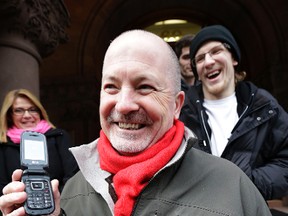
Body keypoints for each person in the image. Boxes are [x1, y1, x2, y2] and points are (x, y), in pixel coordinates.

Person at [0, 30, 272, 216]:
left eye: (144, 87)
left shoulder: (234, 188)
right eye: (111, 87)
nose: (124, 104)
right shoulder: (70, 194)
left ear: (176, 105)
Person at [179, 25, 288, 201]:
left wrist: (249, 184)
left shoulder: (263, 106)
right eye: (199, 59)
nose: (208, 62)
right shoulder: (182, 111)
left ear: (234, 58)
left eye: (216, 51)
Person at [0, 89, 79, 196]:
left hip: (61, 203)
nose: (27, 115)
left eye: (33, 109)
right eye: (19, 110)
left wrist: (56, 199)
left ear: (40, 112)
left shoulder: (58, 137)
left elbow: (72, 176)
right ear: (9, 115)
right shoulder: (3, 146)